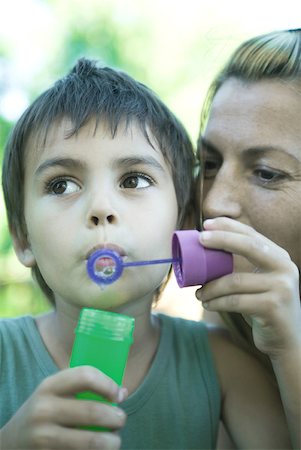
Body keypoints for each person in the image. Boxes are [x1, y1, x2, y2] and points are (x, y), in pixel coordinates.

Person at [0, 58, 291, 450]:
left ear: (184, 222)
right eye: (61, 185)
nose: (101, 207)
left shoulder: (224, 365)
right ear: (23, 238)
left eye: (133, 180)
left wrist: (289, 348)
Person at [196, 28, 301, 449]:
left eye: (267, 173)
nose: (214, 202)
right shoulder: (226, 325)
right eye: (208, 162)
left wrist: (290, 351)